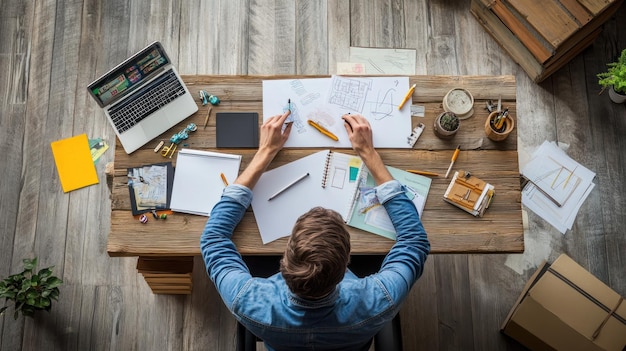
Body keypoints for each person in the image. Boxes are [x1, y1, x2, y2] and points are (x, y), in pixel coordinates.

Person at [200, 110, 430, 351]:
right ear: (347, 263)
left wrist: (264, 152)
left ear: (284, 258)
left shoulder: (246, 300)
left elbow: (213, 239)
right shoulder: (380, 299)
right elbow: (414, 242)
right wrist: (368, 153)